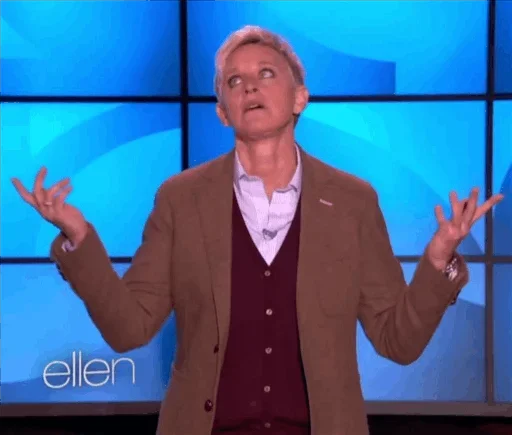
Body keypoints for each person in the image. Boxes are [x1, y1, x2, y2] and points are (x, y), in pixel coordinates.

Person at [12, 25, 503, 435]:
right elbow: (128, 328)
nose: (250, 86)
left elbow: (398, 341)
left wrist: (438, 261)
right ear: (222, 111)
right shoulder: (180, 199)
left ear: (300, 98)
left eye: (266, 74)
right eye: (235, 80)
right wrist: (79, 239)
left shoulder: (353, 201)